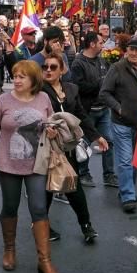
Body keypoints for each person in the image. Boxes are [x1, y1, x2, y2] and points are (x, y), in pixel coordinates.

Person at [0, 60, 58, 273]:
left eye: (22, 76)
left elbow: (52, 123)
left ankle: (45, 261)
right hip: (8, 164)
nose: (17, 80)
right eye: (15, 76)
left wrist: (51, 130)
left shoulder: (43, 98)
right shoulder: (3, 100)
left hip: (36, 164)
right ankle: (9, 250)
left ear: (33, 80)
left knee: (39, 208)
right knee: (10, 207)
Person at [40, 53, 108, 243]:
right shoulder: (39, 91)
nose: (48, 70)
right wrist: (46, 128)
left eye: (53, 67)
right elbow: (34, 115)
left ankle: (86, 225)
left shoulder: (71, 89)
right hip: (46, 146)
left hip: (67, 145)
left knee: (72, 185)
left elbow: (81, 114)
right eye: (45, 67)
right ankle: (41, 224)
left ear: (62, 70)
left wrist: (96, 136)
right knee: (46, 188)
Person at [99, 38, 137, 213]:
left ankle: (125, 189)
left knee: (135, 162)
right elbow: (104, 93)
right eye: (131, 49)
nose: (134, 53)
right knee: (125, 161)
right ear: (127, 50)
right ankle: (129, 196)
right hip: (121, 122)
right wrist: (119, 108)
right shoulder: (117, 68)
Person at [70, 31, 116, 188]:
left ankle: (109, 174)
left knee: (108, 140)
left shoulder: (102, 61)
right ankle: (83, 174)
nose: (103, 45)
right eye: (101, 42)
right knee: (84, 143)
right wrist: (98, 86)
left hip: (103, 109)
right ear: (92, 44)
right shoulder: (78, 63)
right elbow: (77, 86)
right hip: (87, 110)